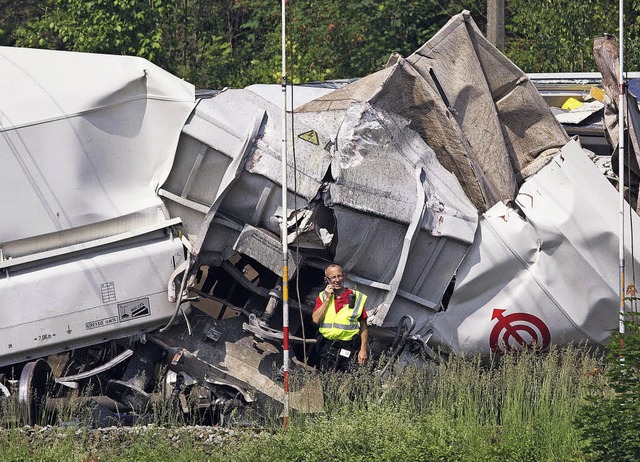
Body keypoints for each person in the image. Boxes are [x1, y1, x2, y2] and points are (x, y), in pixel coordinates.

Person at [312, 263, 368, 372]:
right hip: (327, 346)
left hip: (348, 347)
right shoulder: (323, 297)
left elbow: (364, 327)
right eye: (333, 277)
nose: (337, 280)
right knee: (326, 379)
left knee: (345, 379)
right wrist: (328, 299)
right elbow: (316, 319)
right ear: (327, 280)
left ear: (344, 276)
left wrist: (363, 350)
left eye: (339, 276)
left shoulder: (357, 297)